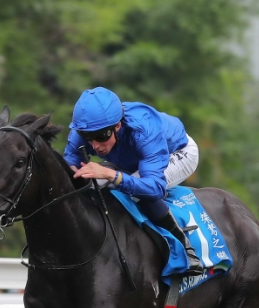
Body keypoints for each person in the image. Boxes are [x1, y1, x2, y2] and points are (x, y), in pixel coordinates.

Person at [65, 87, 203, 276]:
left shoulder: (143, 130)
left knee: (135, 192)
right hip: (134, 159)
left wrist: (112, 175)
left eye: (101, 136)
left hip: (177, 152)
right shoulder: (84, 129)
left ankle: (184, 249)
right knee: (93, 184)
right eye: (87, 137)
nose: (95, 145)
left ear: (117, 126)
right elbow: (69, 166)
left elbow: (154, 188)